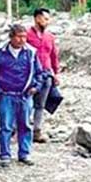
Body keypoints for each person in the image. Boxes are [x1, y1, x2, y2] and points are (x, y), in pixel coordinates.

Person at [0, 25, 42, 166]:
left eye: (24, 36)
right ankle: (5, 155)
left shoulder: (31, 53)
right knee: (6, 126)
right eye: (19, 36)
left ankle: (24, 153)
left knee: (25, 125)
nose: (22, 40)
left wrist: (36, 87)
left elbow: (39, 73)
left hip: (25, 95)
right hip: (6, 95)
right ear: (11, 37)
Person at [26, 8, 60, 143]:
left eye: (48, 19)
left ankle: (37, 131)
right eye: (45, 19)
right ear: (37, 18)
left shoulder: (50, 37)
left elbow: (53, 56)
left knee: (40, 104)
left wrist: (56, 74)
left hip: (46, 75)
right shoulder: (26, 35)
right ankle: (20, 129)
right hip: (29, 74)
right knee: (26, 102)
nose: (47, 22)